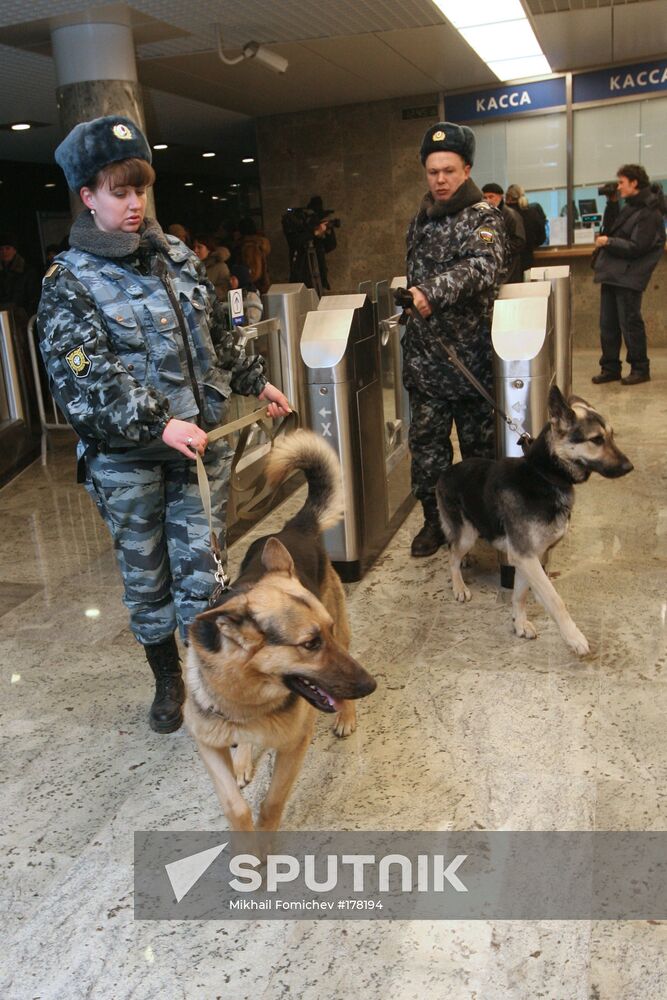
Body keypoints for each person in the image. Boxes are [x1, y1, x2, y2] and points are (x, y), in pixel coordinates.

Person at [37, 115, 290, 735]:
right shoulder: (67, 283)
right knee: (147, 580)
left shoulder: (175, 257)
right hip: (128, 463)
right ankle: (166, 678)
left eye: (140, 190)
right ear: (88, 196)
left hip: (198, 452)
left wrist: (254, 379)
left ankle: (209, 679)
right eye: (118, 192)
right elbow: (82, 373)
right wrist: (158, 424)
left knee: (206, 575)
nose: (133, 204)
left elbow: (216, 335)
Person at [404, 121, 507, 557]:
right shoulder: (420, 220)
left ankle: (483, 524)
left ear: (466, 169)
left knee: (478, 456)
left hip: (468, 363)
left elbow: (486, 266)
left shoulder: (484, 218)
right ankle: (435, 522)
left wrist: (432, 292)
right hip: (426, 366)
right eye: (432, 172)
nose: (440, 179)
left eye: (448, 170)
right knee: (427, 453)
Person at [591, 164, 666, 386]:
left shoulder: (649, 211)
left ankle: (640, 367)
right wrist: (612, 203)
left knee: (630, 322)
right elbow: (613, 227)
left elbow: (638, 246)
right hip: (614, 272)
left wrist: (608, 242)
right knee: (608, 324)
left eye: (622, 182)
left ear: (634, 183)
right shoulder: (630, 206)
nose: (619, 186)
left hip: (630, 275)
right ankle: (610, 367)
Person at [481, 182, 526, 283]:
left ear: (501, 197)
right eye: (484, 197)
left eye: (491, 197)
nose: (487, 200)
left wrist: (498, 249)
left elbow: (519, 242)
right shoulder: (484, 216)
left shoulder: (511, 216)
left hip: (510, 268)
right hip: (492, 269)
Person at [505, 184, 547, 271]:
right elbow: (541, 238)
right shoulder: (532, 211)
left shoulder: (505, 215)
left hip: (510, 263)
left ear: (508, 197)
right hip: (528, 259)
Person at [0, 232, 40, 316]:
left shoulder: (27, 272)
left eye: (7, 248)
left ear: (14, 250)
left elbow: (34, 299)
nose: (4, 252)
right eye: (1, 249)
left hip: (22, 319)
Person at [192, 233, 231, 301]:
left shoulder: (221, 267)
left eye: (199, 247)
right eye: (194, 247)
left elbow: (224, 290)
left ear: (209, 249)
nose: (195, 250)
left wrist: (203, 294)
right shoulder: (190, 266)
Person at [238, 217, 271, 294]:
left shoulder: (250, 247)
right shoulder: (258, 244)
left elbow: (254, 272)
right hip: (260, 285)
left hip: (253, 288)